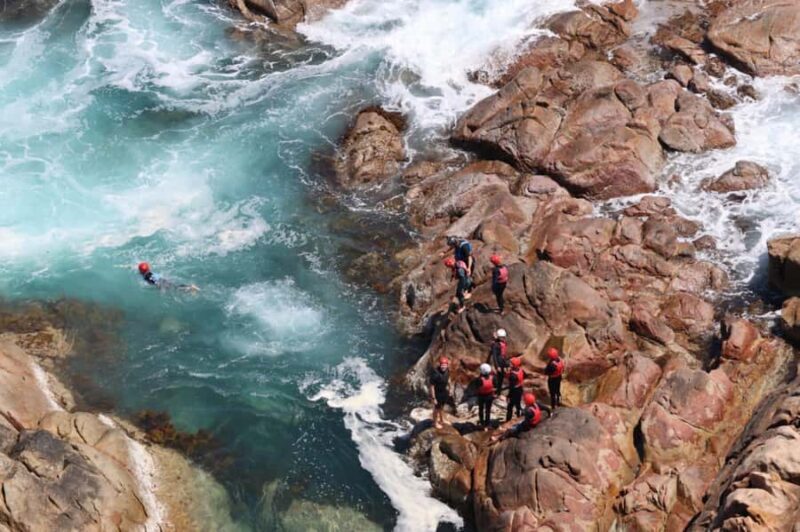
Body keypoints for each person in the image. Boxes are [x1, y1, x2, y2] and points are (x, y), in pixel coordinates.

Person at [429, 356, 452, 429]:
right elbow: (431, 386)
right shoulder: (435, 374)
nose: (443, 367)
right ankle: (435, 423)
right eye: (442, 365)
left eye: (445, 365)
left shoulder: (447, 370)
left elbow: (448, 379)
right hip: (437, 393)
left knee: (441, 407)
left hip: (443, 392)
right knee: (436, 409)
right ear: (440, 365)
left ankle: (442, 419)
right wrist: (433, 398)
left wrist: (450, 388)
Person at [487, 328, 509, 394]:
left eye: (504, 337)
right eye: (502, 337)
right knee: (496, 378)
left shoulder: (503, 343)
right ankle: (493, 392)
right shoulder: (495, 345)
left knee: (501, 378)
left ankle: (498, 392)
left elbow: (504, 355)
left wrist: (505, 365)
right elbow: (494, 356)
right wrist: (497, 366)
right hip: (498, 363)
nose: (504, 338)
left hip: (502, 362)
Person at [475, 363, 495, 429]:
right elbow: (495, 385)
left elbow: (477, 387)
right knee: (488, 410)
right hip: (490, 395)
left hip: (481, 396)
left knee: (481, 409)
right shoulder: (493, 378)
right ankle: (488, 423)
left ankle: (481, 423)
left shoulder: (479, 380)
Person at [505, 357, 524, 421]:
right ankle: (519, 416)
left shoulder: (513, 376)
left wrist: (508, 396)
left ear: (514, 365)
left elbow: (511, 387)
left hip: (514, 391)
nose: (510, 364)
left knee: (510, 407)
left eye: (511, 363)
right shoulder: (520, 370)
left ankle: (508, 420)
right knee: (518, 404)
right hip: (520, 388)